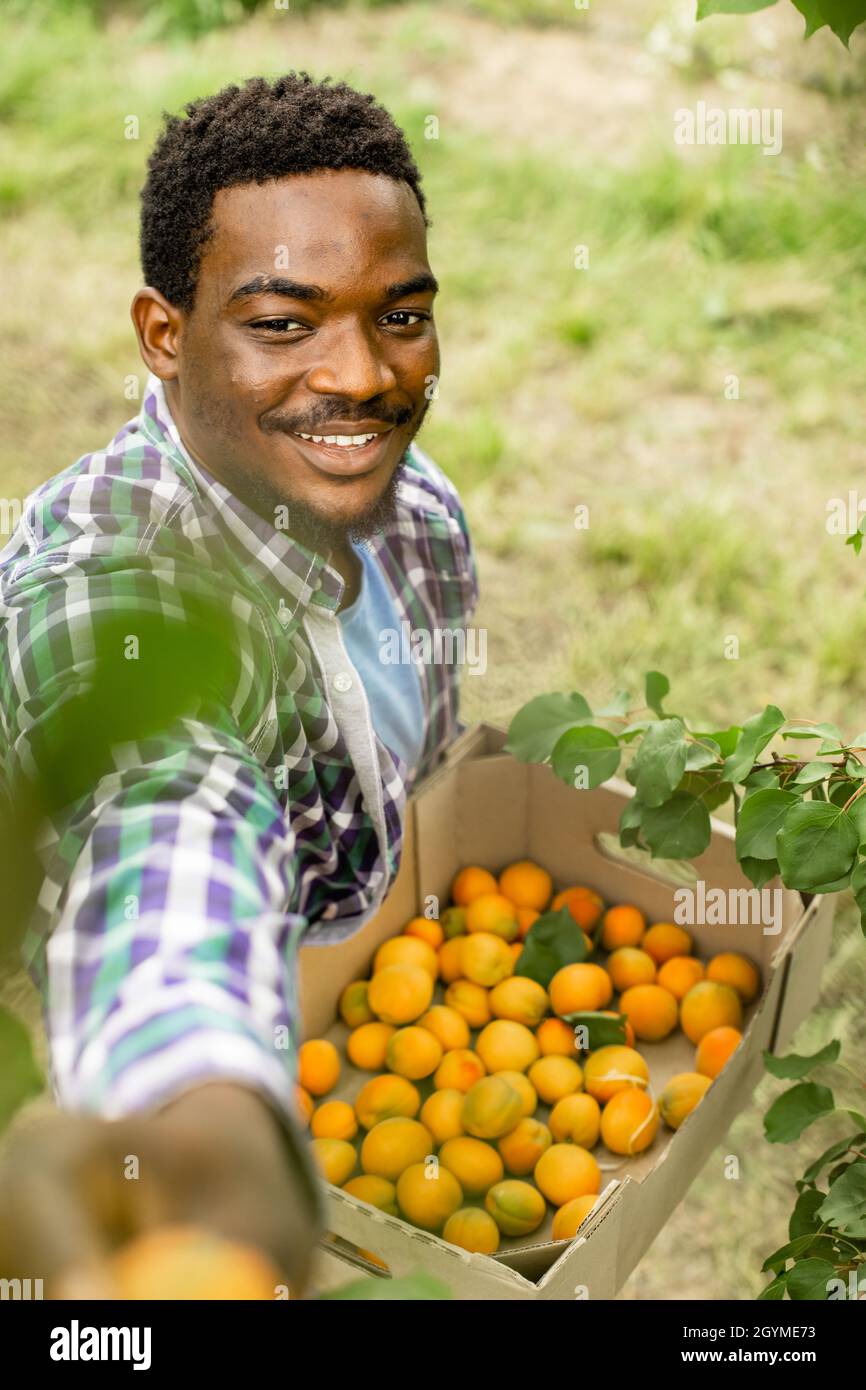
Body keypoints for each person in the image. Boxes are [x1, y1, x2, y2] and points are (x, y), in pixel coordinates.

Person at [0, 72, 478, 1297]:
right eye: (283, 325)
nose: (363, 376)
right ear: (164, 334)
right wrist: (200, 1096)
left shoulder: (418, 518)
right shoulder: (103, 590)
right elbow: (160, 815)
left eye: (401, 314)